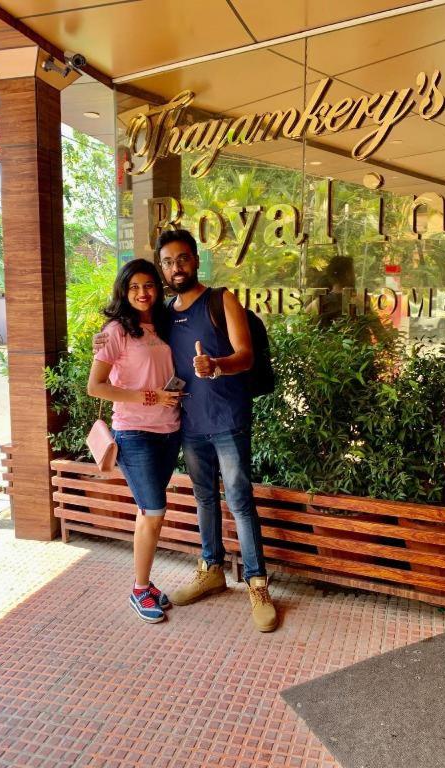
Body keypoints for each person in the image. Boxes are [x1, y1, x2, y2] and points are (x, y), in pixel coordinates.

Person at [155, 228, 278, 633]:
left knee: (239, 500)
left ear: (195, 260)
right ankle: (211, 570)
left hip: (228, 419)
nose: (176, 267)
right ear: (162, 268)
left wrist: (216, 365)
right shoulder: (164, 313)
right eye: (168, 262)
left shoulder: (221, 299)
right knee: (204, 498)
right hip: (190, 424)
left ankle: (257, 584)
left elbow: (246, 355)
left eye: (182, 259)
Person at [87, 258, 183, 624]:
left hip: (169, 431)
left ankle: (146, 584)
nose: (142, 293)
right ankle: (140, 588)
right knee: (154, 511)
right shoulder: (116, 330)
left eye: (149, 285)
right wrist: (150, 397)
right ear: (124, 292)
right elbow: (96, 386)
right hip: (135, 433)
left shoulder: (164, 325)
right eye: (134, 287)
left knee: (148, 511)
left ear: (158, 288)